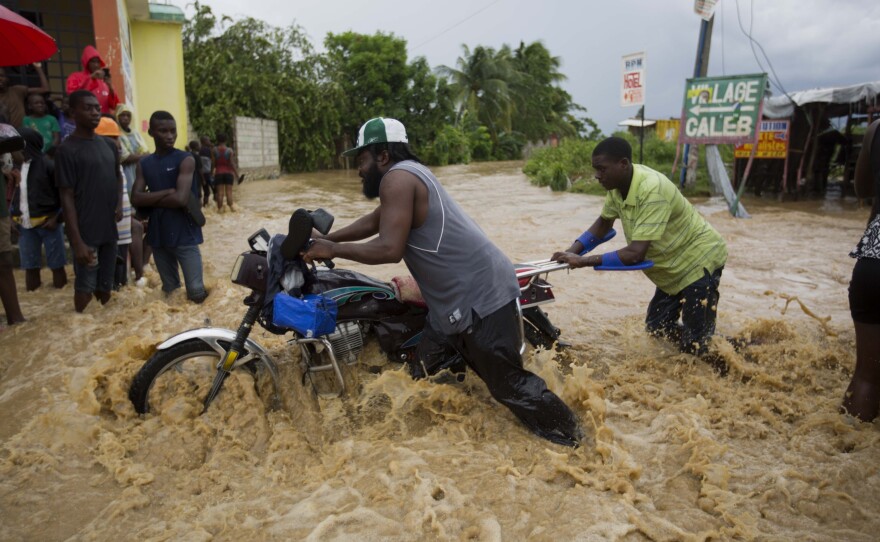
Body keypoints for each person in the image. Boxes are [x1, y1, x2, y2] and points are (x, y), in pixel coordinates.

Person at [302, 117, 582, 447]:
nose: (358, 169)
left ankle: (575, 440)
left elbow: (390, 248)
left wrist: (333, 249)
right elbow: (375, 221)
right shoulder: (409, 175)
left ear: (382, 156)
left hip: (477, 296)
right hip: (456, 299)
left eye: (361, 159)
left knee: (508, 385)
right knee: (424, 370)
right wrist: (328, 239)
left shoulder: (397, 179)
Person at [551, 137, 728, 372]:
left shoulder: (651, 189)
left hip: (698, 261)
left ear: (623, 164)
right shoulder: (618, 189)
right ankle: (711, 344)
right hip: (669, 267)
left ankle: (731, 359)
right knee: (657, 327)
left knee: (695, 347)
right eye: (596, 169)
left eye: (602, 169)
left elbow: (635, 253)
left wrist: (582, 261)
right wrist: (569, 252)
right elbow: (603, 226)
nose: (597, 176)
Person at [55, 90, 123, 313]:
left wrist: (119, 205)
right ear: (73, 113)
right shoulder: (66, 150)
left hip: (109, 231)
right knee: (84, 288)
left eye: (97, 107)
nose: (95, 112)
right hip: (86, 233)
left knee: (106, 287)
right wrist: (76, 242)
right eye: (88, 108)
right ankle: (79, 328)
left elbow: (118, 176)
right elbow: (66, 196)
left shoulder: (109, 146)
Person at [131, 111, 207, 303]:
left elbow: (181, 199)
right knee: (171, 293)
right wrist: (167, 192)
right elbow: (135, 198)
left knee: (197, 293)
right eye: (163, 131)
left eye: (173, 131)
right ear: (151, 133)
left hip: (185, 234)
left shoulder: (185, 159)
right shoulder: (144, 163)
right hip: (159, 236)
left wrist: (149, 197)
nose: (170, 136)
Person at [841, 118, 880, 422]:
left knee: (866, 377)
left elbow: (862, 188)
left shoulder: (875, 130)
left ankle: (842, 449)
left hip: (872, 264)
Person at [10, 128, 66, 291]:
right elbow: (12, 196)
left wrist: (57, 218)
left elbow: (63, 195)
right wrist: (12, 218)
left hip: (48, 222)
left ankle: (59, 295)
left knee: (57, 264)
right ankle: (33, 293)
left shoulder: (48, 165)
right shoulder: (15, 168)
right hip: (24, 225)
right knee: (29, 266)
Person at [93, 117, 134, 289]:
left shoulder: (114, 159)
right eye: (112, 137)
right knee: (109, 265)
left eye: (117, 137)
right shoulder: (99, 161)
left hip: (123, 221)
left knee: (122, 261)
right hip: (109, 223)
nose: (117, 142)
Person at [0, 123, 26, 325]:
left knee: (5, 262)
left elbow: (17, 156)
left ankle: (15, 319)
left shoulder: (5, 133)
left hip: (1, 213)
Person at [65, 46, 119, 115]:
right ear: (87, 62)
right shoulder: (75, 77)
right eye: (93, 61)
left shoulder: (104, 83)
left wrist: (111, 88)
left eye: (98, 62)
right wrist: (90, 78)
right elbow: (72, 94)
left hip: (103, 122)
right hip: (84, 120)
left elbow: (115, 107)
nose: (96, 65)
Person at [0, 64, 50, 128]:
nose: (0, 79)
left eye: (2, 76)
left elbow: (45, 89)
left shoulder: (17, 90)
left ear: (7, 78)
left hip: (22, 132)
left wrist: (38, 67)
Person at [212, 133, 237, 212]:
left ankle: (220, 210)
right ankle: (232, 209)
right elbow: (232, 163)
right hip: (228, 173)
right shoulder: (229, 150)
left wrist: (210, 173)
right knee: (229, 193)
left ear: (217, 140)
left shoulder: (214, 150)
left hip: (218, 173)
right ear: (226, 140)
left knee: (220, 193)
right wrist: (237, 174)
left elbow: (213, 163)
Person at [198, 136, 214, 206]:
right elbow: (213, 161)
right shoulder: (207, 150)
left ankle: (205, 205)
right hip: (208, 173)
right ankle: (218, 207)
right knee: (215, 190)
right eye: (208, 140)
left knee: (206, 192)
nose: (210, 142)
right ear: (204, 141)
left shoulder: (200, 150)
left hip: (202, 175)